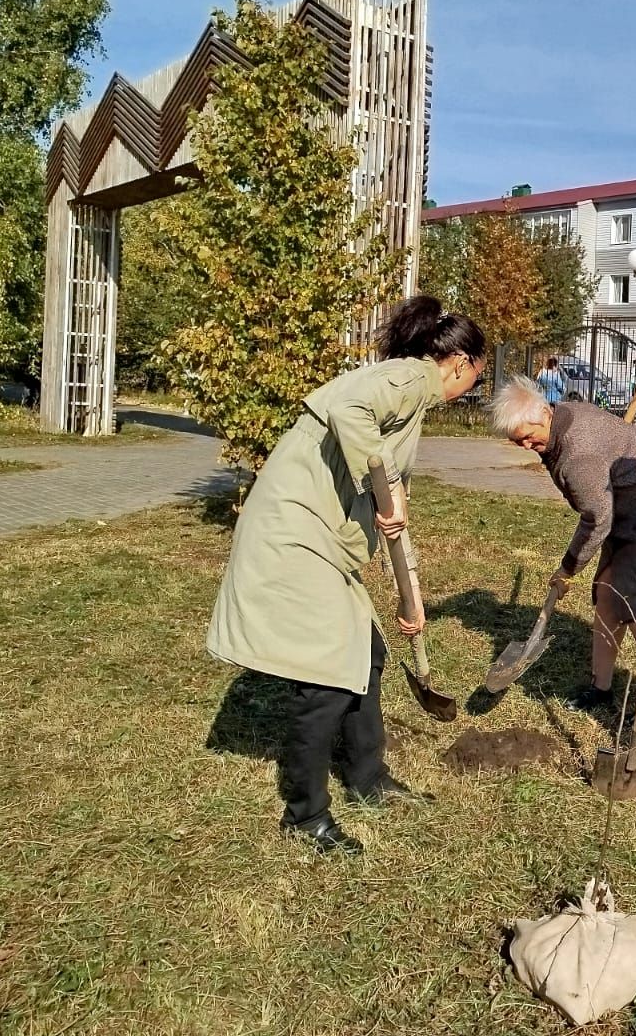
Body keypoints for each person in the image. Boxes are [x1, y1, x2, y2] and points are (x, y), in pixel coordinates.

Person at [205, 297, 486, 854]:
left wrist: (411, 598)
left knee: (369, 653)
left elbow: (389, 503)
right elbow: (351, 411)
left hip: (322, 539)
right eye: (475, 376)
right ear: (459, 362)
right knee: (328, 676)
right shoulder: (410, 376)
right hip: (296, 533)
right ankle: (305, 814)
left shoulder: (412, 396)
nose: (471, 387)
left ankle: (367, 778)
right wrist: (380, 472)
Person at [491, 375, 636, 719]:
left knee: (634, 596)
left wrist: (567, 567)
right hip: (626, 506)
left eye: (526, 438)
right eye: (516, 442)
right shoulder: (562, 416)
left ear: (543, 416)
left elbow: (597, 519)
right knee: (607, 593)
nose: (524, 447)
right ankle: (601, 686)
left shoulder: (578, 454)